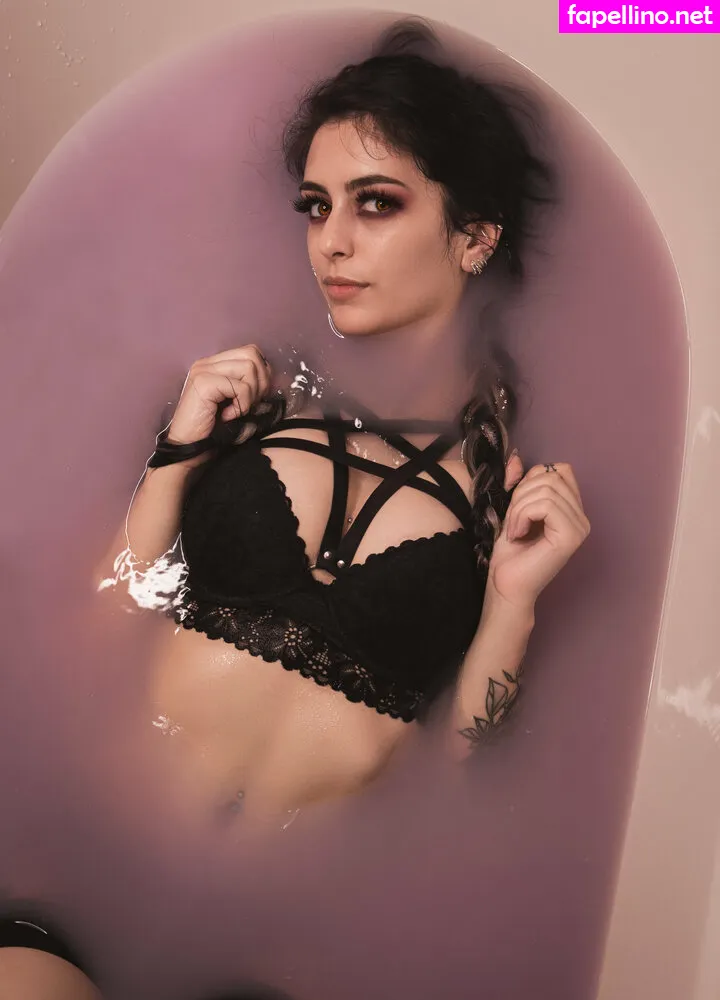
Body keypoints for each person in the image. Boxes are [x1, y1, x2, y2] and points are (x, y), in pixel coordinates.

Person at [95, 18, 590, 824]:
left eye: (378, 204)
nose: (332, 242)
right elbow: (106, 621)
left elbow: (467, 770)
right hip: (107, 829)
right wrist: (176, 452)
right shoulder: (250, 401)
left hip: (296, 895)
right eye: (317, 207)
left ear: (474, 238)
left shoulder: (499, 486)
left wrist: (512, 600)